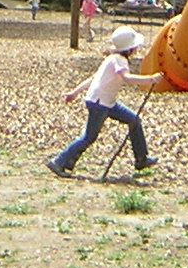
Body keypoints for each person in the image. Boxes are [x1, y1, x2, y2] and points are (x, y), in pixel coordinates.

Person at [47, 26, 159, 177]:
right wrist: (151, 79)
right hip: (100, 104)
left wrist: (75, 92)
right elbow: (126, 78)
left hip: (106, 102)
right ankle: (59, 161)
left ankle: (141, 159)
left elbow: (94, 78)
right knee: (88, 137)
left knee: (134, 120)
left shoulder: (111, 59)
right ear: (130, 49)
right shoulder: (119, 61)